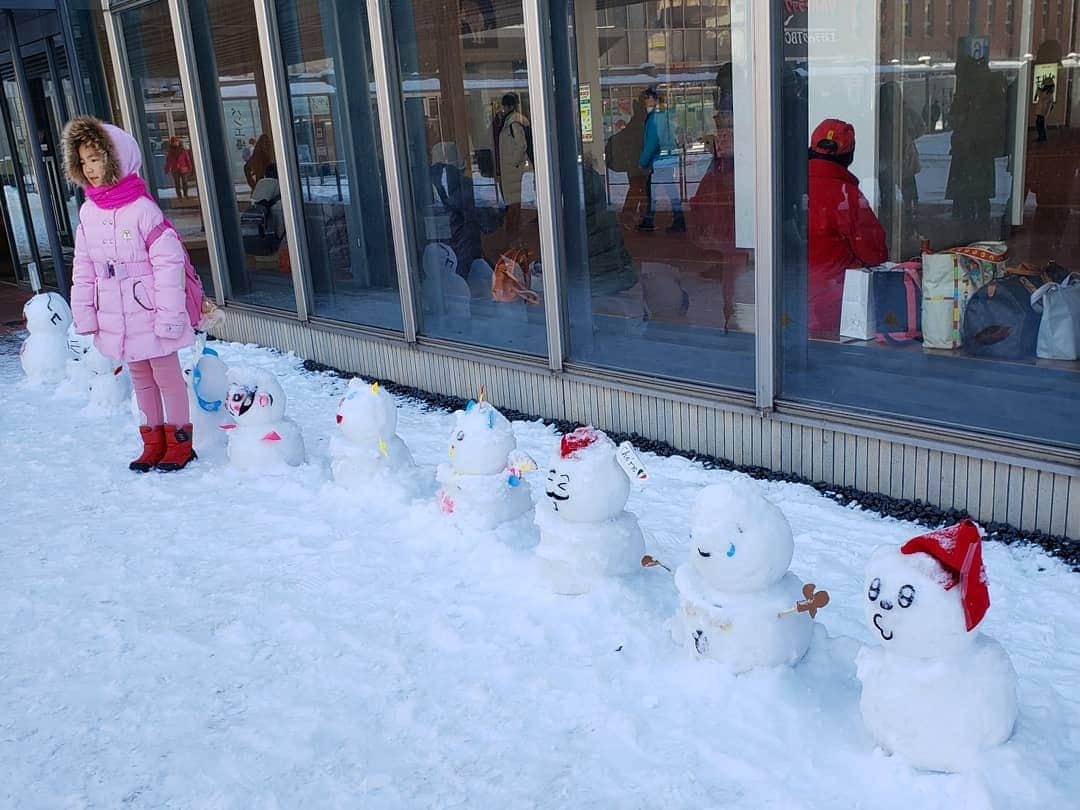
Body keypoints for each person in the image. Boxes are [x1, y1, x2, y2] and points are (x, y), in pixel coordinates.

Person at [62, 116, 197, 472]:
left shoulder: (143, 209)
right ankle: (152, 442)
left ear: (117, 158)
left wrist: (170, 316)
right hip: (115, 312)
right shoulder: (88, 212)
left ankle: (180, 443)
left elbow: (169, 267)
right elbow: (83, 267)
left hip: (149, 309)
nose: (90, 168)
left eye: (96, 157)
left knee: (166, 375)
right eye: (84, 160)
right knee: (139, 378)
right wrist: (85, 315)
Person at [806, 118, 888, 335]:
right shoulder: (846, 195)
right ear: (848, 156)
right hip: (836, 308)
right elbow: (875, 252)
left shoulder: (787, 185)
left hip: (786, 303)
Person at [638, 87, 684, 232]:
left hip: (660, 160)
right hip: (667, 158)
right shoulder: (665, 116)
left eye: (647, 97)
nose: (645, 101)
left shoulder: (654, 118)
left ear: (654, 99)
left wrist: (643, 161)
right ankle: (677, 219)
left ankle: (650, 220)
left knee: (652, 190)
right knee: (667, 190)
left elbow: (652, 141)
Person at [497, 93, 531, 236]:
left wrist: (513, 162)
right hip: (513, 171)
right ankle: (514, 236)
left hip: (513, 171)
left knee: (514, 206)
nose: (502, 108)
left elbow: (521, 145)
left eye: (504, 105)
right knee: (514, 204)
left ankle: (514, 237)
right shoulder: (510, 121)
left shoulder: (513, 123)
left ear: (509, 106)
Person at [1034, 77, 1054, 142]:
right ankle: (1043, 137)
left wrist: (1038, 90)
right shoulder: (1048, 92)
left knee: (1040, 124)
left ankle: (1042, 137)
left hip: (1043, 111)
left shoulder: (1048, 93)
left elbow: (1042, 96)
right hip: (1042, 111)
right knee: (1041, 124)